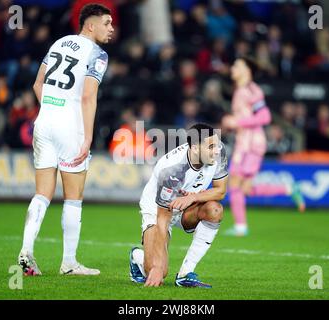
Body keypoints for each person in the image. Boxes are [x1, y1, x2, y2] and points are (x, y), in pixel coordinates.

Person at [17, 4, 114, 276]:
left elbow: (38, 84)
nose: (111, 28)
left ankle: (26, 250)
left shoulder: (58, 43)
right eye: (107, 23)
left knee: (42, 193)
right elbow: (87, 96)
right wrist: (88, 138)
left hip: (44, 123)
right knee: (74, 197)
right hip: (70, 128)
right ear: (90, 25)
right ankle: (69, 263)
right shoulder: (98, 54)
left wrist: (50, 107)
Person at [129, 123, 228, 288]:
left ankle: (185, 274)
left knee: (214, 210)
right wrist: (156, 268)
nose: (217, 150)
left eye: (217, 145)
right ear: (195, 148)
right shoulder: (172, 170)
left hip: (186, 205)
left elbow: (221, 191)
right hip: (157, 209)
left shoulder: (219, 151)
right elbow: (162, 218)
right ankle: (137, 257)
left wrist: (193, 197)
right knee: (158, 271)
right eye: (211, 147)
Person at [222, 58, 305, 237]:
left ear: (247, 70)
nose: (232, 68)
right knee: (244, 189)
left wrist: (237, 121)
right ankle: (288, 188)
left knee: (235, 183)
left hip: (252, 144)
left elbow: (265, 116)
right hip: (243, 142)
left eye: (237, 65)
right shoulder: (240, 90)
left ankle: (241, 227)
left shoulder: (252, 90)